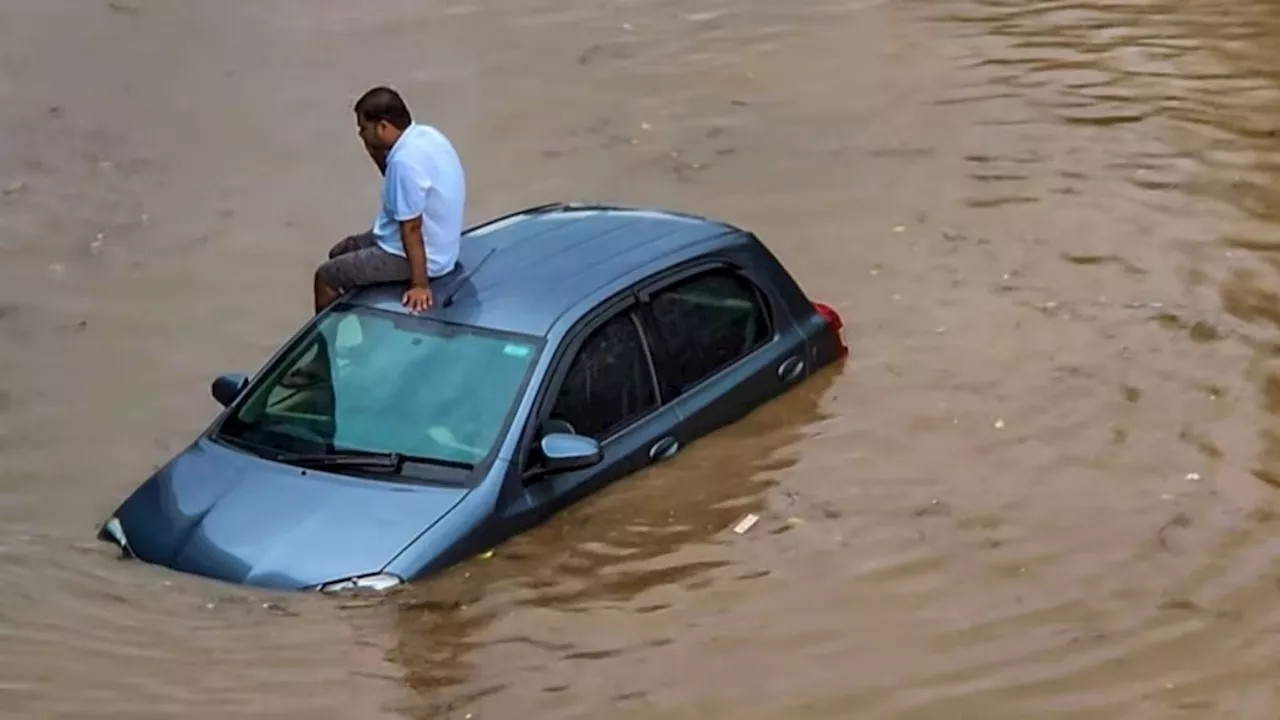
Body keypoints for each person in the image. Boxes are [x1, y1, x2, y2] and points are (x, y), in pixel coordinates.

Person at [313, 86, 467, 314]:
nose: (361, 135)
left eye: (364, 129)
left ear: (383, 127)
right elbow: (390, 176)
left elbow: (412, 228)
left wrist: (420, 285)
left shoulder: (404, 162)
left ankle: (331, 346)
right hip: (433, 243)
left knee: (325, 277)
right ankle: (357, 313)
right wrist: (373, 146)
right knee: (340, 252)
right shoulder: (425, 136)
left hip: (421, 254)